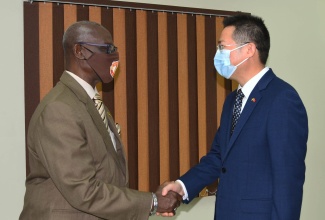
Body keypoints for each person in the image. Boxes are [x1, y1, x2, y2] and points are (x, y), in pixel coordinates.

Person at [20, 20, 181, 220]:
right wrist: (153, 202)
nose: (114, 56)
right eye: (107, 49)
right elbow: (83, 189)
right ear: (79, 51)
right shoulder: (59, 109)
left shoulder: (90, 103)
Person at [161, 14, 308, 219]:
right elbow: (218, 158)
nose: (218, 54)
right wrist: (182, 186)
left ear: (249, 49)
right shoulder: (233, 101)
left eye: (222, 47)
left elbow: (288, 180)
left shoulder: (282, 99)